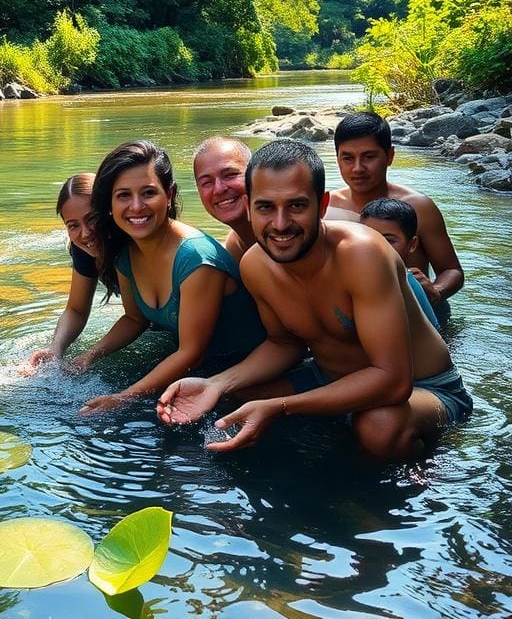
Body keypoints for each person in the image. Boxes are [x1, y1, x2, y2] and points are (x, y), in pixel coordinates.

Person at [156, 139, 472, 462]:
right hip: (327, 377)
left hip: (425, 388)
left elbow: (393, 381)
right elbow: (284, 344)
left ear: (321, 206)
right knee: (226, 402)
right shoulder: (253, 264)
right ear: (249, 206)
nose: (280, 224)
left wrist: (280, 407)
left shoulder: (362, 254)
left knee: (379, 426)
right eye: (266, 207)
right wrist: (217, 384)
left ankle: (425, 474)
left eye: (296, 206)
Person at [75, 140, 266, 414]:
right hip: (197, 373)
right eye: (123, 195)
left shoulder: (196, 258)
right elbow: (134, 318)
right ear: (110, 203)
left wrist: (123, 397)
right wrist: (89, 357)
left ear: (169, 193)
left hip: (240, 375)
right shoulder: (125, 252)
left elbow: (191, 352)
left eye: (148, 192)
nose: (137, 206)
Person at [327, 112, 463, 321]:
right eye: (348, 158)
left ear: (389, 156)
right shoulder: (327, 208)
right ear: (337, 159)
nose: (358, 168)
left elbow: (452, 270)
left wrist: (436, 290)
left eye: (369, 157)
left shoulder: (419, 207)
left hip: (418, 316)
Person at [27, 174, 105, 366]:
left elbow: (135, 318)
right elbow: (76, 309)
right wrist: (55, 349)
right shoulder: (83, 248)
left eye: (92, 219)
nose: (86, 233)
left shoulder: (134, 244)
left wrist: (91, 355)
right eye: (73, 225)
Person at [359, 198, 440, 332]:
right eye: (369, 237)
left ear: (412, 244)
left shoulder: (409, 284)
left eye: (389, 240)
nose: (376, 246)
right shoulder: (351, 275)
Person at [192, 137, 255, 261]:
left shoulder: (287, 234)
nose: (219, 189)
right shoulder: (235, 247)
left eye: (230, 175)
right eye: (206, 182)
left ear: (256, 174)